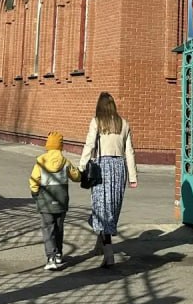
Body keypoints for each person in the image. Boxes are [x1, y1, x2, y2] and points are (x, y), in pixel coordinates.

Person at [78, 91, 138, 267]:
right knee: (110, 207)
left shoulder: (97, 122)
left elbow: (89, 145)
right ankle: (101, 243)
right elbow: (129, 151)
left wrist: (82, 166)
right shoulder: (123, 123)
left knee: (102, 208)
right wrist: (132, 176)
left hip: (102, 169)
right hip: (119, 169)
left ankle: (109, 254)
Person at [29, 130, 81, 271]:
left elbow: (34, 180)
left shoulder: (40, 161)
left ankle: (50, 257)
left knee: (48, 229)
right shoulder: (65, 162)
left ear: (48, 145)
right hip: (61, 201)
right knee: (59, 228)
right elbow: (76, 176)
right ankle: (58, 253)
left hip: (45, 201)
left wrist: (35, 192)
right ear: (60, 146)